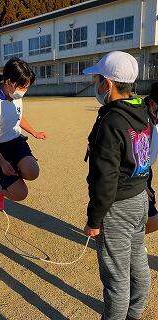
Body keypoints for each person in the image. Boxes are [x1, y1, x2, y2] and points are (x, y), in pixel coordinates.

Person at [83, 51, 151, 320]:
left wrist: (94, 218)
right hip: (139, 198)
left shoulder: (112, 120)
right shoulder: (141, 110)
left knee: (116, 278)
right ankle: (134, 314)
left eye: (98, 78)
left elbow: (105, 178)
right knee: (138, 263)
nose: (96, 83)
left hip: (117, 207)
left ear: (108, 83)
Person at [0, 57, 46, 211]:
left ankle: (11, 179)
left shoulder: (15, 96)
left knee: (32, 172)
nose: (24, 91)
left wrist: (34, 132)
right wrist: (3, 163)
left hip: (16, 143)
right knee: (20, 194)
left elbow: (18, 116)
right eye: (23, 87)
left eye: (27, 87)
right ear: (9, 81)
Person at [144, 82, 158, 234]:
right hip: (132, 176)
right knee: (154, 220)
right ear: (152, 104)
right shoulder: (138, 119)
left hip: (146, 171)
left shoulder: (154, 117)